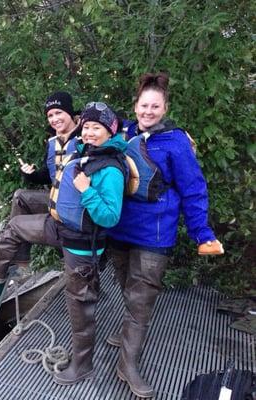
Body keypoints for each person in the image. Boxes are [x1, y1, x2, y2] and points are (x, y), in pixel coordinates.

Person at [0, 102, 127, 385]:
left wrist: (86, 191)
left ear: (110, 131)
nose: (91, 133)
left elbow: (109, 216)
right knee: (15, 226)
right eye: (88, 128)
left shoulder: (111, 169)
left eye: (98, 128)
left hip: (82, 246)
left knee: (80, 308)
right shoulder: (87, 152)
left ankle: (82, 366)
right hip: (61, 229)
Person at [106, 72, 223, 398]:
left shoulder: (176, 142)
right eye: (144, 105)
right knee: (127, 287)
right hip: (120, 227)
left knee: (141, 300)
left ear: (164, 107)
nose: (148, 111)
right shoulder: (123, 132)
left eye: (155, 106)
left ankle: (127, 364)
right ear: (136, 105)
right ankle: (127, 330)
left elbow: (194, 189)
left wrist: (202, 233)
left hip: (154, 234)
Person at [9, 91, 81, 266]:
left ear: (70, 113)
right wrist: (31, 174)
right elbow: (47, 177)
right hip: (54, 198)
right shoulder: (52, 141)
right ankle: (20, 258)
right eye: (50, 115)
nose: (54, 119)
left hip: (78, 205)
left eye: (59, 113)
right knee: (20, 196)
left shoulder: (86, 136)